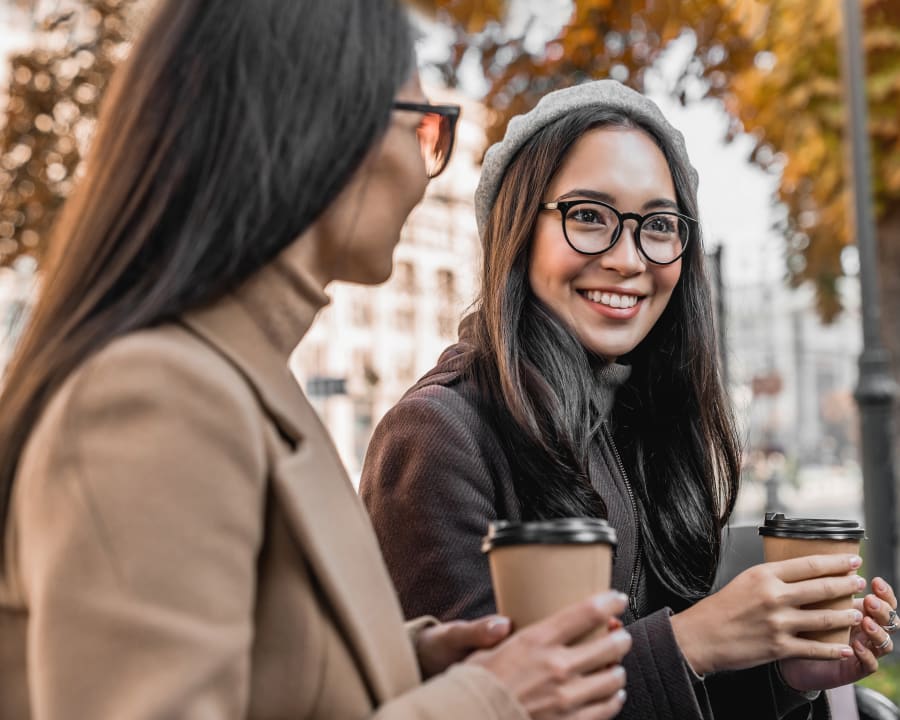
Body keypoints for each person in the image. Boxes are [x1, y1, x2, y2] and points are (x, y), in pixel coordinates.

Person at [0, 5, 633, 719]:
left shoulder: (248, 383)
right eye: (426, 128)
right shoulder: (154, 394)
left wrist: (406, 668)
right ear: (328, 126)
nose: (428, 176)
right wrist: (487, 700)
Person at [360, 80, 898, 720]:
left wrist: (786, 674)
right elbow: (472, 708)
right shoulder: (437, 433)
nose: (627, 257)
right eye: (588, 215)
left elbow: (665, 696)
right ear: (517, 229)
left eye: (659, 225)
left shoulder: (644, 421)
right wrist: (696, 638)